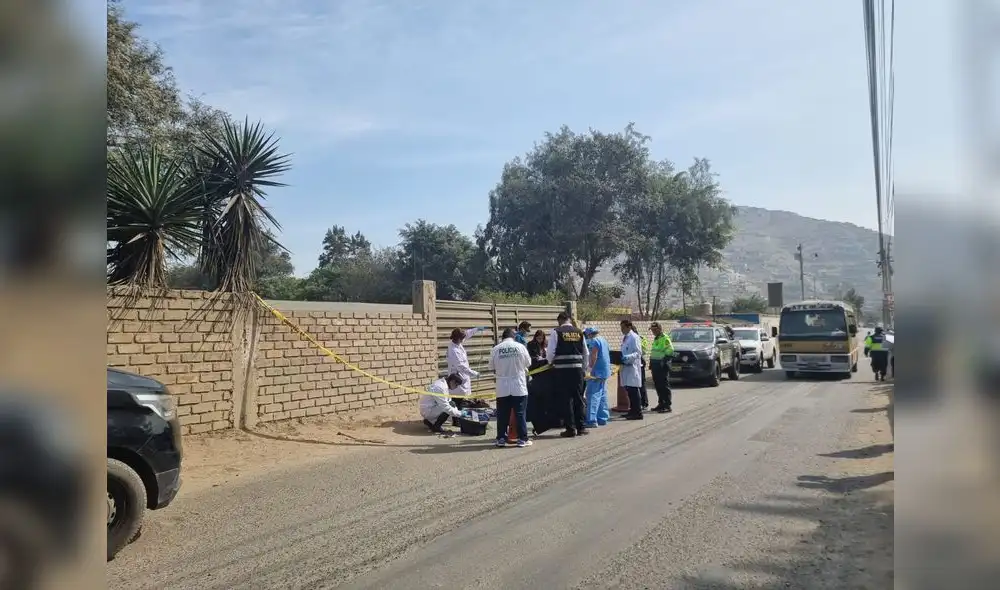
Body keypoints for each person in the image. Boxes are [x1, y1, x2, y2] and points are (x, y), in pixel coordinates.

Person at [547, 311, 590, 437]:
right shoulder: (579, 332)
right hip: (577, 371)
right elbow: (585, 352)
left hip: (562, 371)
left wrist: (551, 363)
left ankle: (570, 429)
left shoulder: (556, 332)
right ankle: (581, 428)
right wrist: (583, 368)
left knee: (565, 400)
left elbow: (550, 353)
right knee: (579, 398)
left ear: (560, 320)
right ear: (569, 320)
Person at [489, 328, 532, 447]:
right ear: (513, 337)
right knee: (520, 413)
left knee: (502, 414)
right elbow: (528, 363)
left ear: (502, 337)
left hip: (502, 386)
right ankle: (523, 439)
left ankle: (501, 439)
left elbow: (490, 366)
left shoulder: (496, 349)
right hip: (518, 385)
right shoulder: (520, 347)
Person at [446, 326, 487, 407]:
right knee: (457, 400)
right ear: (458, 339)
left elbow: (467, 334)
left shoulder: (457, 342)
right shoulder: (454, 350)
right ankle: (456, 418)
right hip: (457, 377)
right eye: (461, 339)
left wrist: (477, 329)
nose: (463, 340)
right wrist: (474, 373)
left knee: (462, 399)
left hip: (462, 376)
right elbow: (461, 367)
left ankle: (459, 415)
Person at [583, 326, 612, 427]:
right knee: (602, 395)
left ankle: (591, 420)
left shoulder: (593, 341)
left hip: (596, 372)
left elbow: (593, 355)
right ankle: (602, 418)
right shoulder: (603, 340)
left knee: (592, 395)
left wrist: (589, 369)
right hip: (604, 371)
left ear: (589, 334)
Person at [619, 319, 644, 420]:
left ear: (629, 327)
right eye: (621, 328)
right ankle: (632, 410)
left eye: (623, 328)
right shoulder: (626, 337)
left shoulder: (634, 337)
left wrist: (627, 357)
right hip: (626, 367)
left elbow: (638, 353)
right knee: (629, 390)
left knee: (633, 390)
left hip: (632, 367)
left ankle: (638, 412)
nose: (621, 330)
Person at [648, 322, 674, 414]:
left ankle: (667, 405)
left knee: (664, 386)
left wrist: (664, 361)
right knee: (658, 385)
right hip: (655, 365)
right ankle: (661, 404)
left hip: (662, 365)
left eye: (655, 330)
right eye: (652, 330)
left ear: (659, 329)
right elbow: (654, 352)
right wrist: (651, 362)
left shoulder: (665, 338)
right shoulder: (656, 338)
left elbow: (670, 351)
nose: (653, 332)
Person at [634, 326, 650, 409]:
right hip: (633, 363)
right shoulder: (629, 338)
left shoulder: (640, 338)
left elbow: (643, 351)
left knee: (641, 384)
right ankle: (637, 403)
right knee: (635, 384)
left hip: (640, 362)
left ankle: (644, 403)